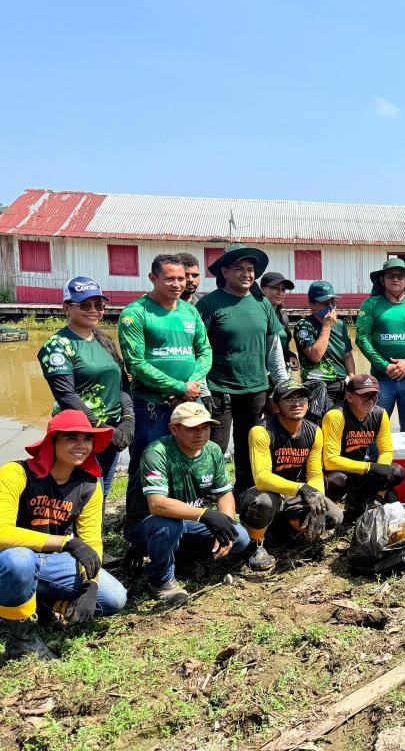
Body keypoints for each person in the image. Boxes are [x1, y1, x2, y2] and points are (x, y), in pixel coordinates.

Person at [0, 411, 127, 660]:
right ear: (52, 441)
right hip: (10, 558)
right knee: (19, 561)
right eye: (71, 438)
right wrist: (66, 542)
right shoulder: (16, 473)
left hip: (49, 560)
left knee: (114, 598)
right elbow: (2, 534)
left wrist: (91, 585)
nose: (81, 445)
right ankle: (21, 638)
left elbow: (90, 542)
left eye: (87, 439)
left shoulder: (89, 485)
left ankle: (41, 604)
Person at [125, 402, 249, 605]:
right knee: (169, 525)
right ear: (174, 429)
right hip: (151, 524)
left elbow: (224, 494)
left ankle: (181, 559)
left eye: (205, 427)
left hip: (189, 523)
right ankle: (160, 580)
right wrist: (206, 515)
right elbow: (157, 504)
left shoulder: (213, 450)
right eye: (192, 428)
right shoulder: (156, 452)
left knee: (240, 537)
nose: (200, 434)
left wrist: (224, 523)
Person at [119, 254, 212, 509]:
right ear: (153, 278)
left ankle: (185, 510)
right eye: (169, 278)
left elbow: (205, 351)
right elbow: (135, 363)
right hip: (152, 405)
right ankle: (137, 522)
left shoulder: (190, 310)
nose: (177, 284)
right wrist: (178, 387)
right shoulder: (135, 313)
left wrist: (191, 386)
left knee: (189, 457)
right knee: (146, 461)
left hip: (191, 402)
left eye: (181, 278)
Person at [197, 247, 290, 495]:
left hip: (256, 388)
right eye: (239, 269)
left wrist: (283, 383)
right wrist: (203, 387)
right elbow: (198, 347)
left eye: (250, 270)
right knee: (214, 446)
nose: (246, 274)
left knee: (250, 443)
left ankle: (246, 493)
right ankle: (212, 495)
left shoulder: (262, 304)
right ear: (225, 271)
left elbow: (273, 347)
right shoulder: (209, 304)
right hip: (218, 389)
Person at [38, 276, 134, 496]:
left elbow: (121, 383)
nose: (93, 310)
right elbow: (65, 395)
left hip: (111, 432)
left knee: (102, 490)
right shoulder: (58, 345)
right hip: (78, 434)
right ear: (67, 308)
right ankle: (70, 532)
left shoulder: (103, 341)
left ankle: (94, 531)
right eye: (85, 305)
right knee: (77, 492)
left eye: (99, 305)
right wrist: (100, 427)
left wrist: (128, 420)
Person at [237, 381, 339, 572]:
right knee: (264, 503)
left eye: (301, 398)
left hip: (292, 494)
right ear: (275, 406)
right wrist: (301, 488)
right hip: (259, 492)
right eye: (288, 399)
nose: (297, 403)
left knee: (334, 517)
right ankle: (255, 543)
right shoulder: (261, 431)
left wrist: (317, 502)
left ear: (308, 404)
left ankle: (283, 529)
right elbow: (262, 478)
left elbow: (315, 474)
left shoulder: (315, 432)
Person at [355, 258, 405, 433]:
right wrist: (384, 365)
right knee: (376, 427)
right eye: (390, 276)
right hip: (381, 380)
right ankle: (375, 459)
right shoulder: (371, 304)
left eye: (399, 276)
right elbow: (361, 337)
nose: (395, 279)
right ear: (382, 280)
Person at [322, 375, 405, 520]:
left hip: (360, 468)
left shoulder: (380, 414)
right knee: (339, 479)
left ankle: (358, 504)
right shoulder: (336, 416)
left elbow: (386, 450)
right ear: (349, 396)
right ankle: (325, 513)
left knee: (397, 472)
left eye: (374, 395)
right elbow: (330, 460)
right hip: (335, 471)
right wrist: (369, 468)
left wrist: (381, 471)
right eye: (364, 396)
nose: (370, 400)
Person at [294, 280, 354, 409]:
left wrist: (352, 379)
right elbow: (315, 356)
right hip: (318, 386)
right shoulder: (304, 326)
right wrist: (326, 326)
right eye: (325, 303)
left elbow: (347, 355)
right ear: (312, 305)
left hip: (342, 385)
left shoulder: (340, 325)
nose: (331, 306)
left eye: (333, 302)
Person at [260, 271, 298, 371]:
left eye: (283, 289)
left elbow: (284, 346)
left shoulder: (283, 317)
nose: (280, 293)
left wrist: (290, 355)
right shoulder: (256, 317)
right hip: (261, 375)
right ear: (262, 290)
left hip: (281, 373)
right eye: (274, 288)